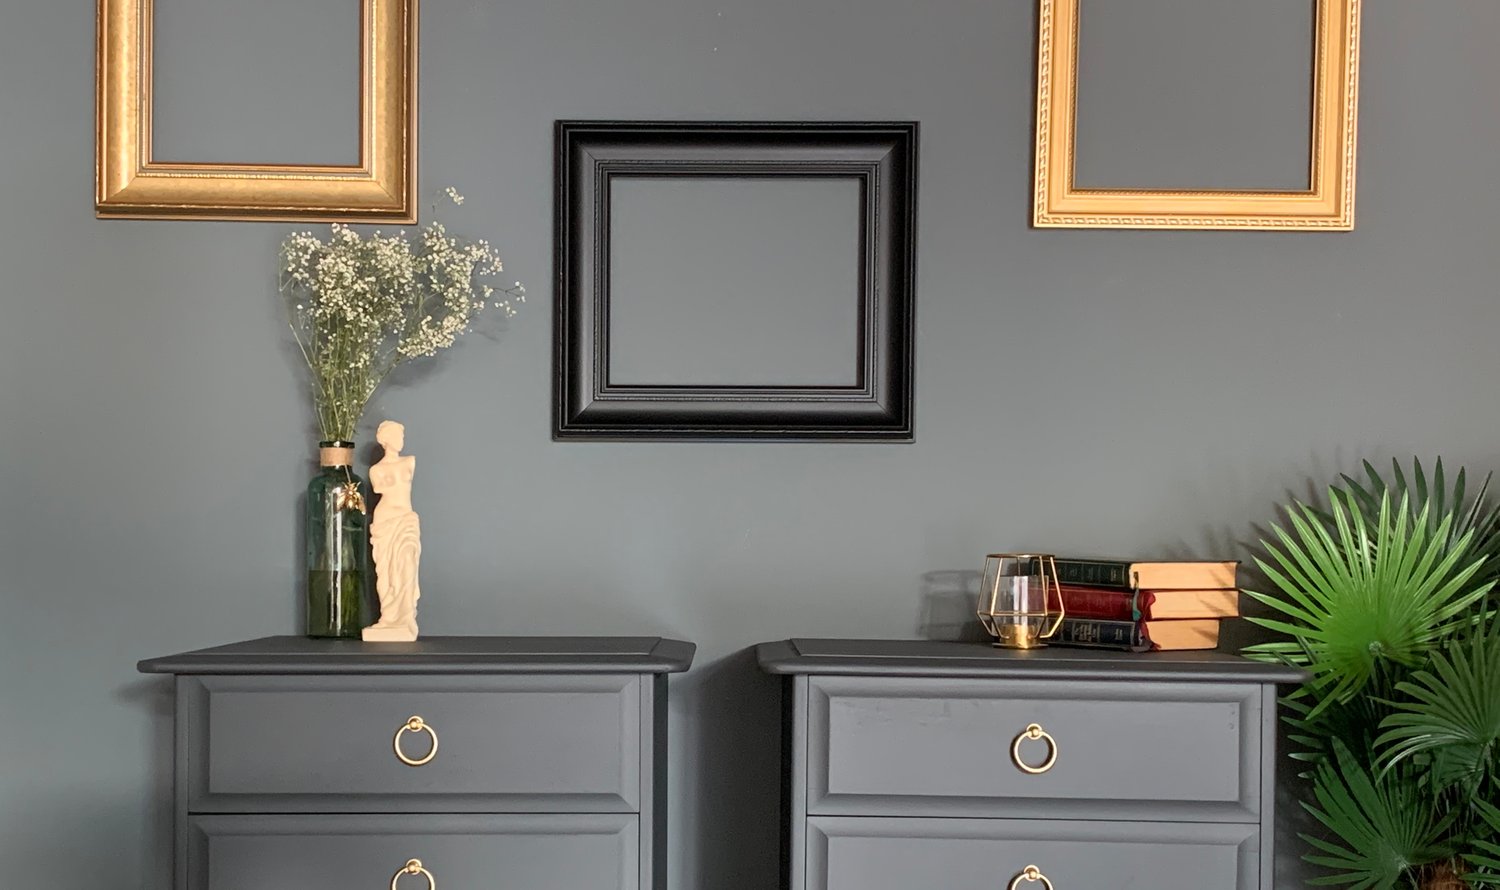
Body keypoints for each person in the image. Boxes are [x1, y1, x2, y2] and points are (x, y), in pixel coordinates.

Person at [364, 420, 421, 641]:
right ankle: (388, 617)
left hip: (405, 520)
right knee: (385, 571)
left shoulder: (410, 462)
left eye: (402, 436)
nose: (401, 440)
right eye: (398, 435)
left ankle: (404, 618)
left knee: (406, 564)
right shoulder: (376, 470)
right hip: (385, 520)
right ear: (386, 439)